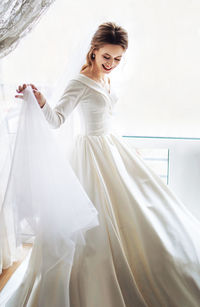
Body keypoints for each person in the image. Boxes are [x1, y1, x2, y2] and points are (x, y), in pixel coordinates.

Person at [8, 22, 200, 307]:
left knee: (142, 211)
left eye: (118, 59)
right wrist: (40, 100)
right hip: (91, 156)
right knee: (96, 228)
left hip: (112, 148)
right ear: (94, 51)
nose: (112, 64)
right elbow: (57, 120)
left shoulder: (106, 78)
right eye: (106, 57)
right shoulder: (80, 82)